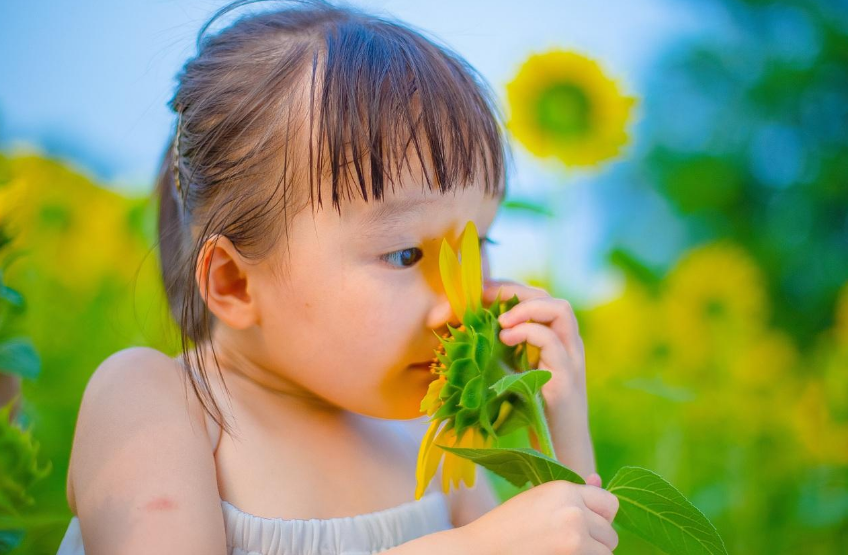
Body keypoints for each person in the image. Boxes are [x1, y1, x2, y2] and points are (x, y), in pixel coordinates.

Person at [57, 1, 619, 553]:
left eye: (479, 245)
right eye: (404, 255)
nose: (461, 298)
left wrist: (563, 445)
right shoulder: (158, 402)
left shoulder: (429, 436)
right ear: (234, 283)